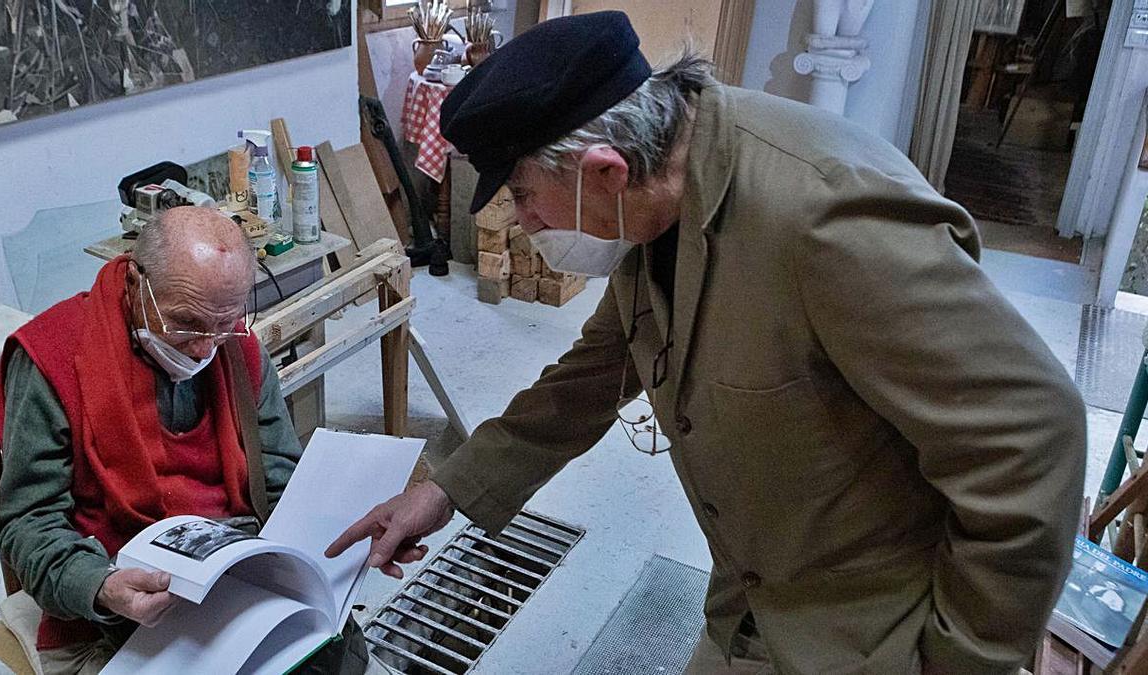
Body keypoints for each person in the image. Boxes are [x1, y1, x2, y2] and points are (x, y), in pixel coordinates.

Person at [326, 11, 1087, 675]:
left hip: (879, 629)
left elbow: (1031, 435)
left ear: (604, 169)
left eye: (522, 194)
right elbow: (593, 375)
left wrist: (958, 661)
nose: (522, 221)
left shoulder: (823, 218)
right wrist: (447, 488)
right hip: (753, 598)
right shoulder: (655, 205)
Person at [0, 207, 389, 674]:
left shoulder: (236, 347)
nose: (204, 348)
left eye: (224, 323)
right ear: (136, 284)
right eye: (185, 323)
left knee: (335, 654)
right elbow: (27, 522)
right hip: (114, 597)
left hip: (233, 581)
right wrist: (99, 586)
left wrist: (325, 540)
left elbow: (282, 485)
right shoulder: (53, 360)